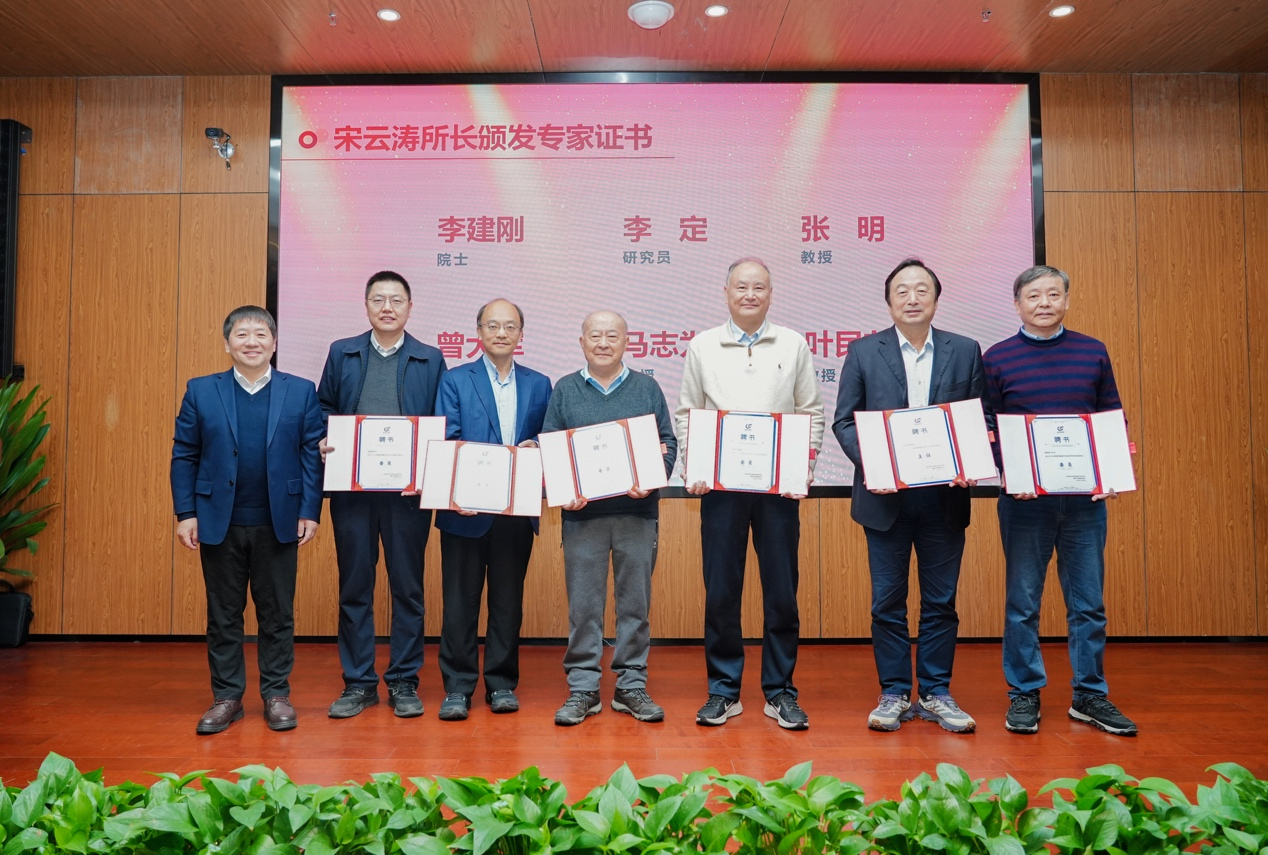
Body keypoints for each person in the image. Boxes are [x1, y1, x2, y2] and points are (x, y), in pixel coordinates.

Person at [832, 258, 984, 734]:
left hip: (944, 500)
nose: (912, 298)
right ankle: (895, 691)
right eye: (902, 291)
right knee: (887, 603)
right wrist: (875, 465)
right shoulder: (863, 351)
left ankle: (937, 692)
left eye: (922, 290)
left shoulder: (965, 350)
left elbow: (979, 417)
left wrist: (969, 461)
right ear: (889, 301)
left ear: (936, 299)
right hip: (885, 501)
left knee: (941, 601)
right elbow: (844, 421)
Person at [984, 264, 1137, 737]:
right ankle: (1024, 692)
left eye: (1053, 294)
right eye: (1034, 296)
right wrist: (1012, 473)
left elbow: (1111, 416)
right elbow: (988, 427)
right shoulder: (997, 358)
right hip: (1025, 501)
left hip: (1085, 501)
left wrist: (1110, 473)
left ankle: (1089, 695)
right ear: (1017, 304)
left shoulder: (1093, 352)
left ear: (1067, 300)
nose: (1044, 303)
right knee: (1022, 603)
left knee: (1088, 603)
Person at [675, 258, 824, 731]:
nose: (750, 294)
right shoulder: (702, 345)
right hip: (721, 489)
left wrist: (802, 470)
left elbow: (811, 411)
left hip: (778, 488)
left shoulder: (793, 343)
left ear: (771, 294)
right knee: (722, 591)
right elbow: (687, 413)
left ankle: (780, 691)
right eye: (741, 287)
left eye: (759, 287)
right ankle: (723, 690)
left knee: (782, 591)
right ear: (726, 293)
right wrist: (694, 467)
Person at [171, 305, 323, 734]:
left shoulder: (301, 391)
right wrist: (186, 513)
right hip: (218, 520)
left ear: (274, 343)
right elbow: (185, 454)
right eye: (241, 335)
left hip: (279, 520)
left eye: (260, 334)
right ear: (227, 343)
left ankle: (276, 694)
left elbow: (312, 455)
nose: (251, 342)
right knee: (224, 614)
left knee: (277, 613)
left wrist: (309, 510)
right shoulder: (201, 390)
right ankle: (227, 697)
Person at [317, 270, 447, 719]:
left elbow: (441, 419)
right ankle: (358, 683)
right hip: (352, 491)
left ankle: (404, 680)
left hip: (408, 494)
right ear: (366, 305)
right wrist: (324, 437)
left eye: (396, 300)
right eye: (378, 299)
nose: (387, 307)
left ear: (410, 307)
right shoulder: (343, 352)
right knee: (355, 586)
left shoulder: (430, 358)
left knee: (408, 588)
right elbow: (323, 406)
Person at [543, 310, 677, 726]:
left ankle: (630, 685)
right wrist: (563, 490)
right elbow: (552, 447)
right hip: (583, 519)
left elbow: (667, 443)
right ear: (582, 342)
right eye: (595, 335)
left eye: (612, 335)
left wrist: (652, 479)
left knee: (635, 606)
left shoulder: (647, 388)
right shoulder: (565, 389)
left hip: (637, 514)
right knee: (584, 607)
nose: (603, 343)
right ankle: (583, 688)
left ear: (626, 342)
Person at [433, 299, 552, 721]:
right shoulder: (454, 380)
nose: (501, 333)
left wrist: (538, 447)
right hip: (464, 512)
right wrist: (457, 492)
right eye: (493, 325)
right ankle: (458, 686)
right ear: (479, 332)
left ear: (521, 334)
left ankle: (501, 684)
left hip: (515, 512)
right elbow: (447, 439)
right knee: (459, 604)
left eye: (510, 326)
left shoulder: (540, 383)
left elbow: (548, 437)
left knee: (507, 603)